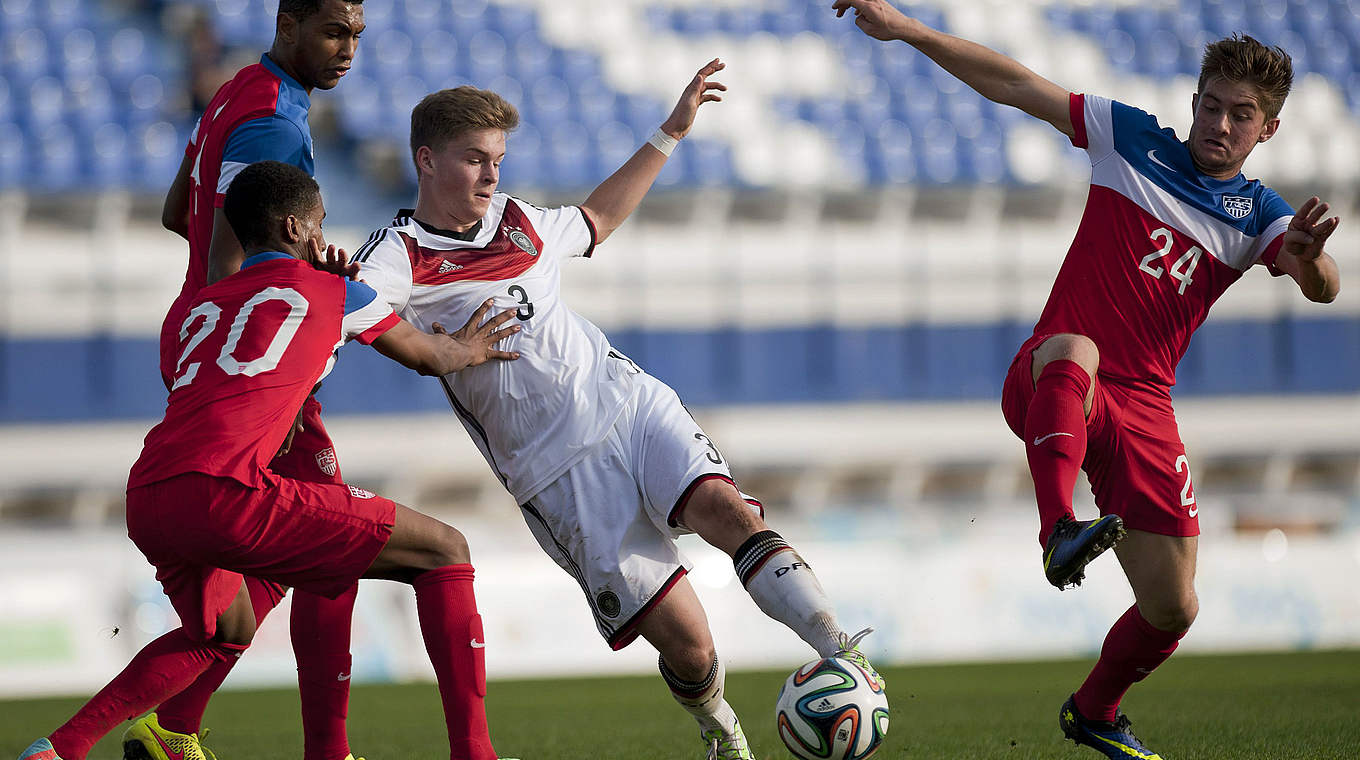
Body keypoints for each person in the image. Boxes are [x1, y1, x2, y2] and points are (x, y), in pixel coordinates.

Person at [832, 1, 1342, 758]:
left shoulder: (1256, 213)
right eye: (1211, 105)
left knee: (1173, 608)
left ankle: (1095, 710)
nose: (1221, 124)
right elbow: (1014, 84)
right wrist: (908, 29)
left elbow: (1322, 284)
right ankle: (1057, 529)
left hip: (1142, 409)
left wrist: (1309, 260)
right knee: (1076, 346)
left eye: (1242, 115)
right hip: (1051, 376)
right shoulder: (1128, 137)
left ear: (1266, 129)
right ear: (1193, 101)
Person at [348, 60, 883, 760]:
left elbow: (596, 218)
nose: (490, 176)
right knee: (691, 649)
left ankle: (844, 655)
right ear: (427, 158)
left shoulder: (519, 221)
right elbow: (355, 308)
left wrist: (670, 131)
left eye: (498, 160)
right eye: (475, 159)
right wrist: (446, 353)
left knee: (730, 513)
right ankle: (721, 728)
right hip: (558, 476)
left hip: (628, 406)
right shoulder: (400, 255)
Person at [19, 161, 521, 760]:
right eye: (317, 226)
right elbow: (428, 356)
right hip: (228, 492)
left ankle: (62, 748)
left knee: (222, 631)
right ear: (292, 226)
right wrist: (470, 346)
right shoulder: (337, 290)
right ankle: (474, 755)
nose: (321, 239)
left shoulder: (196, 309)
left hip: (151, 494)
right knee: (444, 550)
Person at [150, 1, 369, 759]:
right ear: (288, 27)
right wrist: (263, 352)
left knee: (299, 540)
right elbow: (230, 260)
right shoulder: (276, 118)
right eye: (334, 32)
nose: (347, 51)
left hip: (203, 340)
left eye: (357, 37)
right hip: (247, 355)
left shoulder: (234, 91)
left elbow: (181, 210)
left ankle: (174, 725)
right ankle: (319, 749)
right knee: (336, 536)